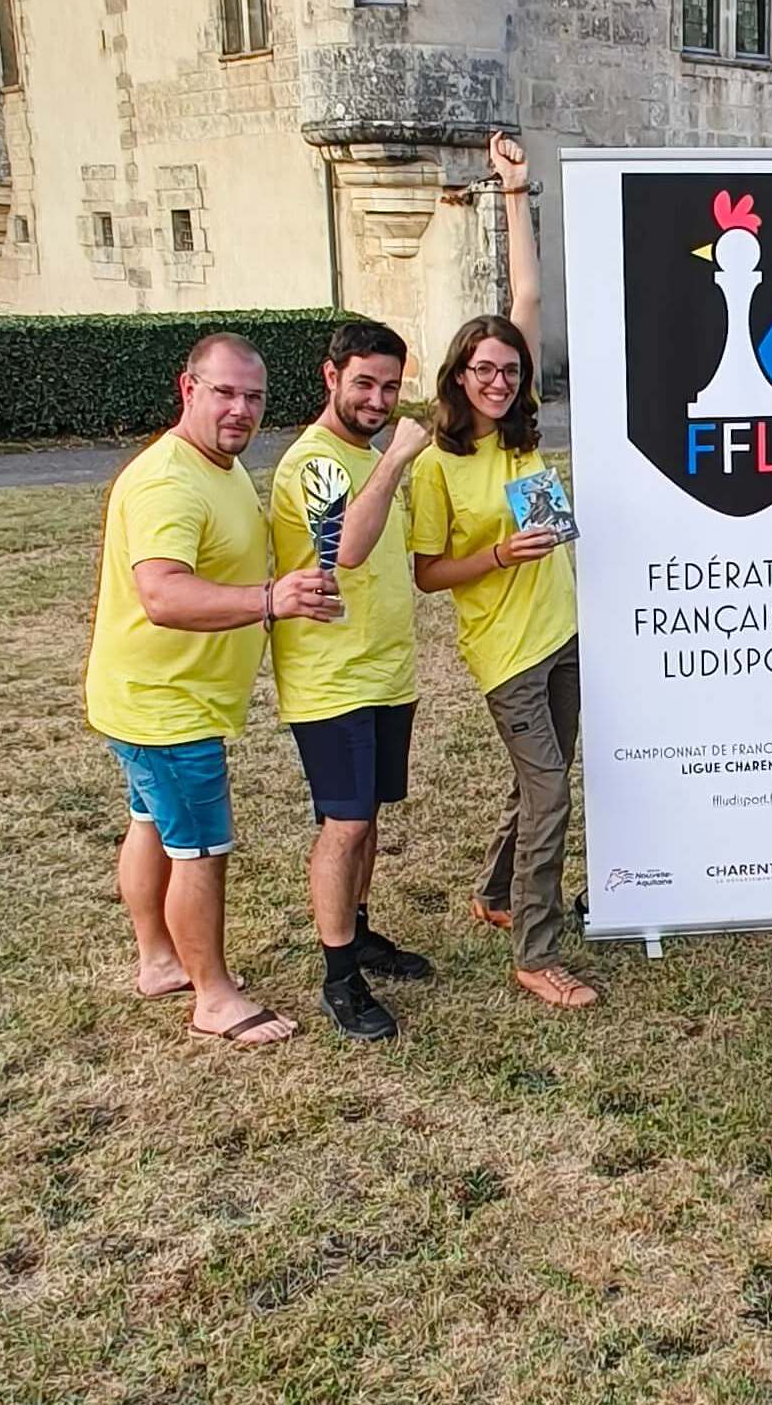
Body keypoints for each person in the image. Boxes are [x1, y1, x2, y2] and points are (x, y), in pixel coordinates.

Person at [84, 332, 340, 1048]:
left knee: (151, 824)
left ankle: (159, 960)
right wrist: (270, 599)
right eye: (224, 392)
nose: (240, 409)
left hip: (145, 693)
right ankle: (214, 995)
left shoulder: (212, 465)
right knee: (200, 846)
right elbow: (163, 594)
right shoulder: (168, 481)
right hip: (167, 703)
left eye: (253, 397)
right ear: (188, 387)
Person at [411, 135, 597, 1010]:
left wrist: (515, 191)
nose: (497, 379)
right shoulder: (439, 463)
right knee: (551, 787)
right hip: (507, 651)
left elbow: (526, 294)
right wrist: (497, 555)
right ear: (457, 375)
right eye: (483, 369)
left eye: (509, 369)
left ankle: (494, 892)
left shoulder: (519, 427)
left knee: (546, 772)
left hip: (563, 628)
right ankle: (535, 946)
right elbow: (427, 572)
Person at [269, 319, 436, 1042]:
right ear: (329, 376)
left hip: (383, 672)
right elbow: (346, 549)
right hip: (331, 678)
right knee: (345, 822)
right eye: (364, 382)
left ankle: (359, 931)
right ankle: (339, 976)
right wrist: (398, 457)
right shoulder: (317, 461)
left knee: (367, 817)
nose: (377, 398)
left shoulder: (361, 454)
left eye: (391, 386)